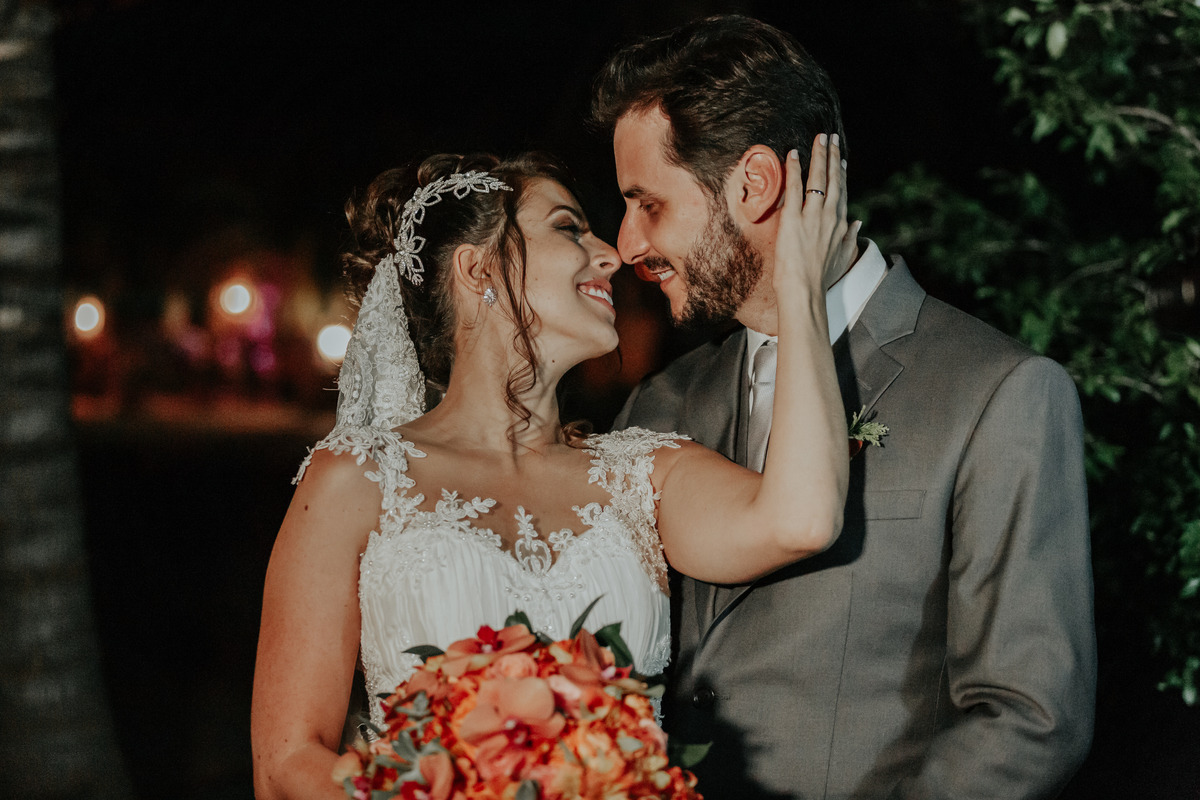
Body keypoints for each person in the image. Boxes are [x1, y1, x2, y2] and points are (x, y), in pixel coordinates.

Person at [250, 145, 855, 799]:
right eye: (569, 228)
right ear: (477, 267)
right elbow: (286, 762)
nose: (612, 255)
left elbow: (801, 519)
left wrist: (799, 288)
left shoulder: (645, 475)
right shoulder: (359, 479)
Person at [595, 14, 1096, 800]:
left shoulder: (998, 392)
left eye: (647, 203)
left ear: (754, 185)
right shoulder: (658, 404)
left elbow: (1028, 717)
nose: (626, 243)